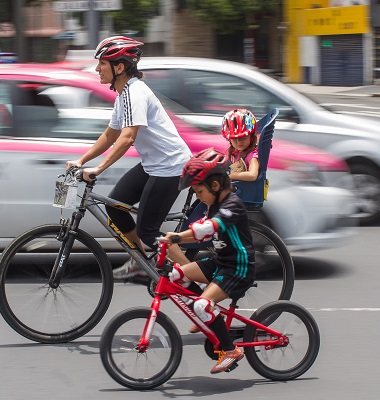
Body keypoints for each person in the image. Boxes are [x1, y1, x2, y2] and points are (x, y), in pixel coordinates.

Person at [65, 36, 192, 279]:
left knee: (148, 230)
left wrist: (98, 169)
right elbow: (111, 134)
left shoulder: (135, 93)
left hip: (170, 166)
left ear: (119, 67)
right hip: (153, 165)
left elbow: (127, 138)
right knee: (116, 205)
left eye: (102, 63)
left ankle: (191, 276)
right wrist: (82, 161)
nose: (97, 69)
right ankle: (142, 261)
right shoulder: (123, 94)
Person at [161, 148, 255, 374]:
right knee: (176, 275)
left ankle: (230, 350)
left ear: (214, 186)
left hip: (238, 269)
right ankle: (208, 316)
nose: (197, 196)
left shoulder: (232, 205)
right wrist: (170, 240)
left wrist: (176, 237)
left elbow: (208, 228)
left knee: (201, 304)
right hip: (220, 262)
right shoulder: (213, 205)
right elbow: (198, 233)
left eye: (198, 191)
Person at [222, 108, 259, 183]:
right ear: (229, 140)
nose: (239, 141)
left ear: (251, 137)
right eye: (235, 139)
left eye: (243, 137)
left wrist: (230, 175)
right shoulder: (236, 152)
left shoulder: (252, 156)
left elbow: (253, 175)